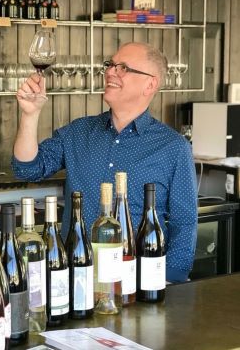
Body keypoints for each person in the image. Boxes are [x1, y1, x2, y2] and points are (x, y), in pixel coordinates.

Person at [11, 42, 197, 283]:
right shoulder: (78, 132)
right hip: (75, 278)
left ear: (150, 84)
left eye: (123, 68)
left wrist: (168, 283)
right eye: (110, 65)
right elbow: (28, 168)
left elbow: (185, 223)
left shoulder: (173, 147)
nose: (110, 72)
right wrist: (29, 114)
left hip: (138, 282)